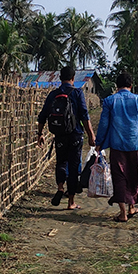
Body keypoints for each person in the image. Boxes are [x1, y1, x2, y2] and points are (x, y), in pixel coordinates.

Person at [95, 72, 138, 222]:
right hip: (134, 144)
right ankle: (132, 206)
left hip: (117, 144)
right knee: (132, 174)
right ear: (131, 85)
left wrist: (99, 142)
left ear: (116, 87)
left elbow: (104, 124)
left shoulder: (110, 101)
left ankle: (123, 212)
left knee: (119, 176)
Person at [37, 66, 96, 209]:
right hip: (75, 135)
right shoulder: (77, 93)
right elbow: (84, 116)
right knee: (74, 166)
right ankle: (71, 202)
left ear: (59, 78)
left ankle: (60, 187)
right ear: (73, 78)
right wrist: (91, 135)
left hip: (60, 135)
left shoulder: (53, 94)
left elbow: (43, 116)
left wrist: (39, 134)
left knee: (61, 162)